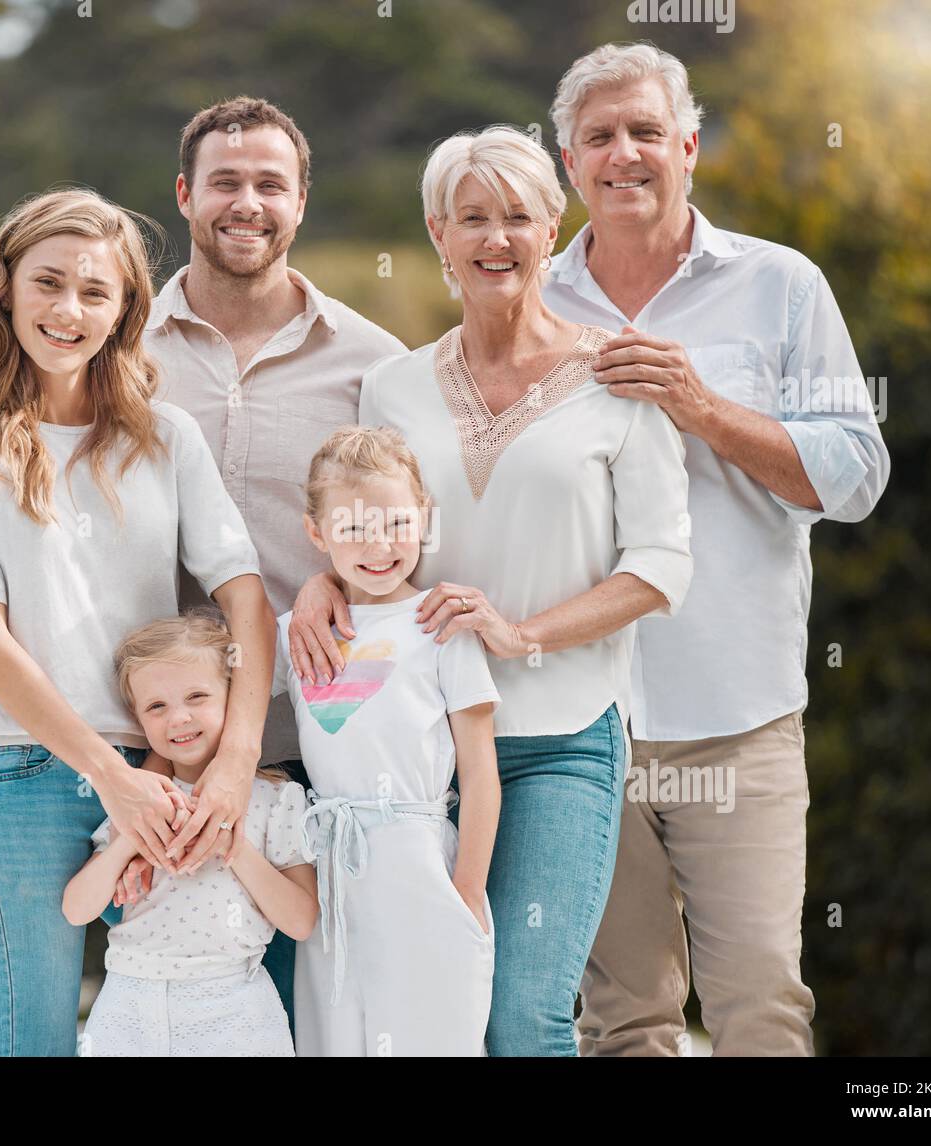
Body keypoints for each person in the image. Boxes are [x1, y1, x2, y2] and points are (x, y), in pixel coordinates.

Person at [287, 127, 694, 1056]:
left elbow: (664, 563)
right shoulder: (390, 386)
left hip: (557, 745)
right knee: (428, 1016)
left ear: (556, 226)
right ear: (438, 232)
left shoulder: (618, 378)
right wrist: (319, 582)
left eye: (518, 215)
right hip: (414, 758)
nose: (495, 238)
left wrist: (522, 634)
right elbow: (367, 523)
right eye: (473, 217)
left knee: (522, 1014)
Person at [544, 42, 890, 1056]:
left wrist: (704, 409)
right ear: (570, 163)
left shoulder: (781, 286)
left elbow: (855, 475)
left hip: (737, 717)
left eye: (645, 132)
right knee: (625, 1022)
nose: (623, 155)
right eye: (598, 137)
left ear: (688, 147)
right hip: (581, 723)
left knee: (762, 1010)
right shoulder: (530, 298)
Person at [0, 187, 274, 1056]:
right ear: (4, 289)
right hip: (23, 779)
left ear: (124, 312)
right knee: (37, 1044)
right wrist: (112, 783)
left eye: (94, 291)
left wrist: (228, 767)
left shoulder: (168, 438)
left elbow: (246, 601)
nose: (67, 310)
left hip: (170, 776)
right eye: (47, 283)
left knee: (191, 1025)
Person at [134, 96, 407, 1025]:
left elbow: (406, 533)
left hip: (329, 732)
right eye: (224, 182)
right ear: (184, 194)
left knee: (317, 1012)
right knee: (183, 993)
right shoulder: (121, 355)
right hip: (169, 746)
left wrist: (340, 570)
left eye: (269, 184)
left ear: (300, 202)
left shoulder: (375, 365)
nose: (245, 203)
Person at [273, 426, 501, 1056]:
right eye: (351, 530)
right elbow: (228, 714)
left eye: (397, 523)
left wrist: (465, 893)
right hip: (330, 871)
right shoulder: (298, 631)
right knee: (339, 1038)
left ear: (423, 518)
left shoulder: (441, 624)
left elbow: (480, 774)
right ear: (316, 533)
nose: (378, 545)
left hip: (420, 860)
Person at [64, 613, 317, 1056]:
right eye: (156, 707)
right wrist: (130, 839)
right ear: (137, 717)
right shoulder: (136, 803)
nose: (178, 718)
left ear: (233, 697)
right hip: (129, 1006)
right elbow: (77, 910)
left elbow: (300, 920)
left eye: (197, 696)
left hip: (235, 1009)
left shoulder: (276, 799)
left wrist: (232, 849)